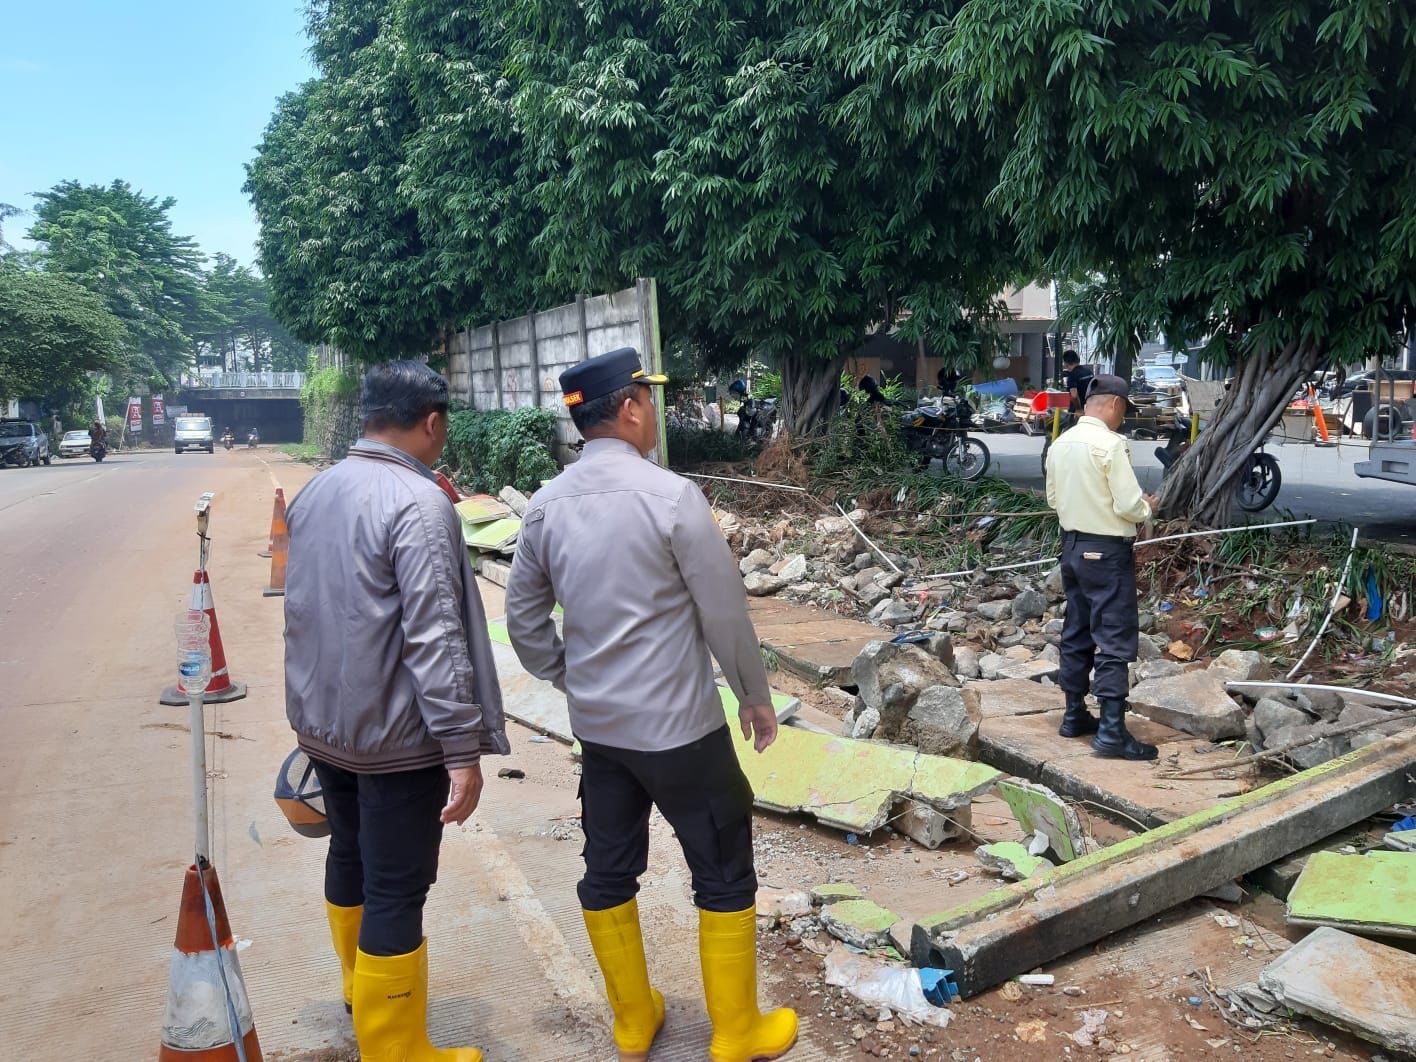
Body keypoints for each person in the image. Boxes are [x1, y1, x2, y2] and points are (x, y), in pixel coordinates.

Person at [505, 347, 797, 1062]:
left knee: (607, 868)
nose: (654, 411)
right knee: (723, 868)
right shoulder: (671, 497)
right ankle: (735, 1031)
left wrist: (569, 676)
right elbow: (724, 615)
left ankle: (633, 1019)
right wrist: (755, 698)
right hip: (682, 732)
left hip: (601, 733)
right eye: (649, 398)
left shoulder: (545, 506)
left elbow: (522, 620)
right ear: (630, 407)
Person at [284, 360, 509, 1060]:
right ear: (431, 422)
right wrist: (461, 749)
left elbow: (305, 614)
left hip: (329, 732)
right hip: (397, 742)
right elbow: (437, 635)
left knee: (350, 859)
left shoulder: (317, 491)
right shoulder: (418, 502)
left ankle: (365, 999)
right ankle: (398, 1051)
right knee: (396, 891)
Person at [1044, 374, 1159, 761]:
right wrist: (1146, 508)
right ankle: (1111, 732)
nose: (1122, 418)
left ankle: (1074, 714)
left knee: (1077, 628)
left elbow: (1053, 499)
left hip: (1072, 548)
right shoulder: (1110, 445)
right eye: (1123, 410)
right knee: (1112, 635)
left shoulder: (1061, 444)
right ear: (1113, 405)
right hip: (1106, 551)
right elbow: (1128, 505)